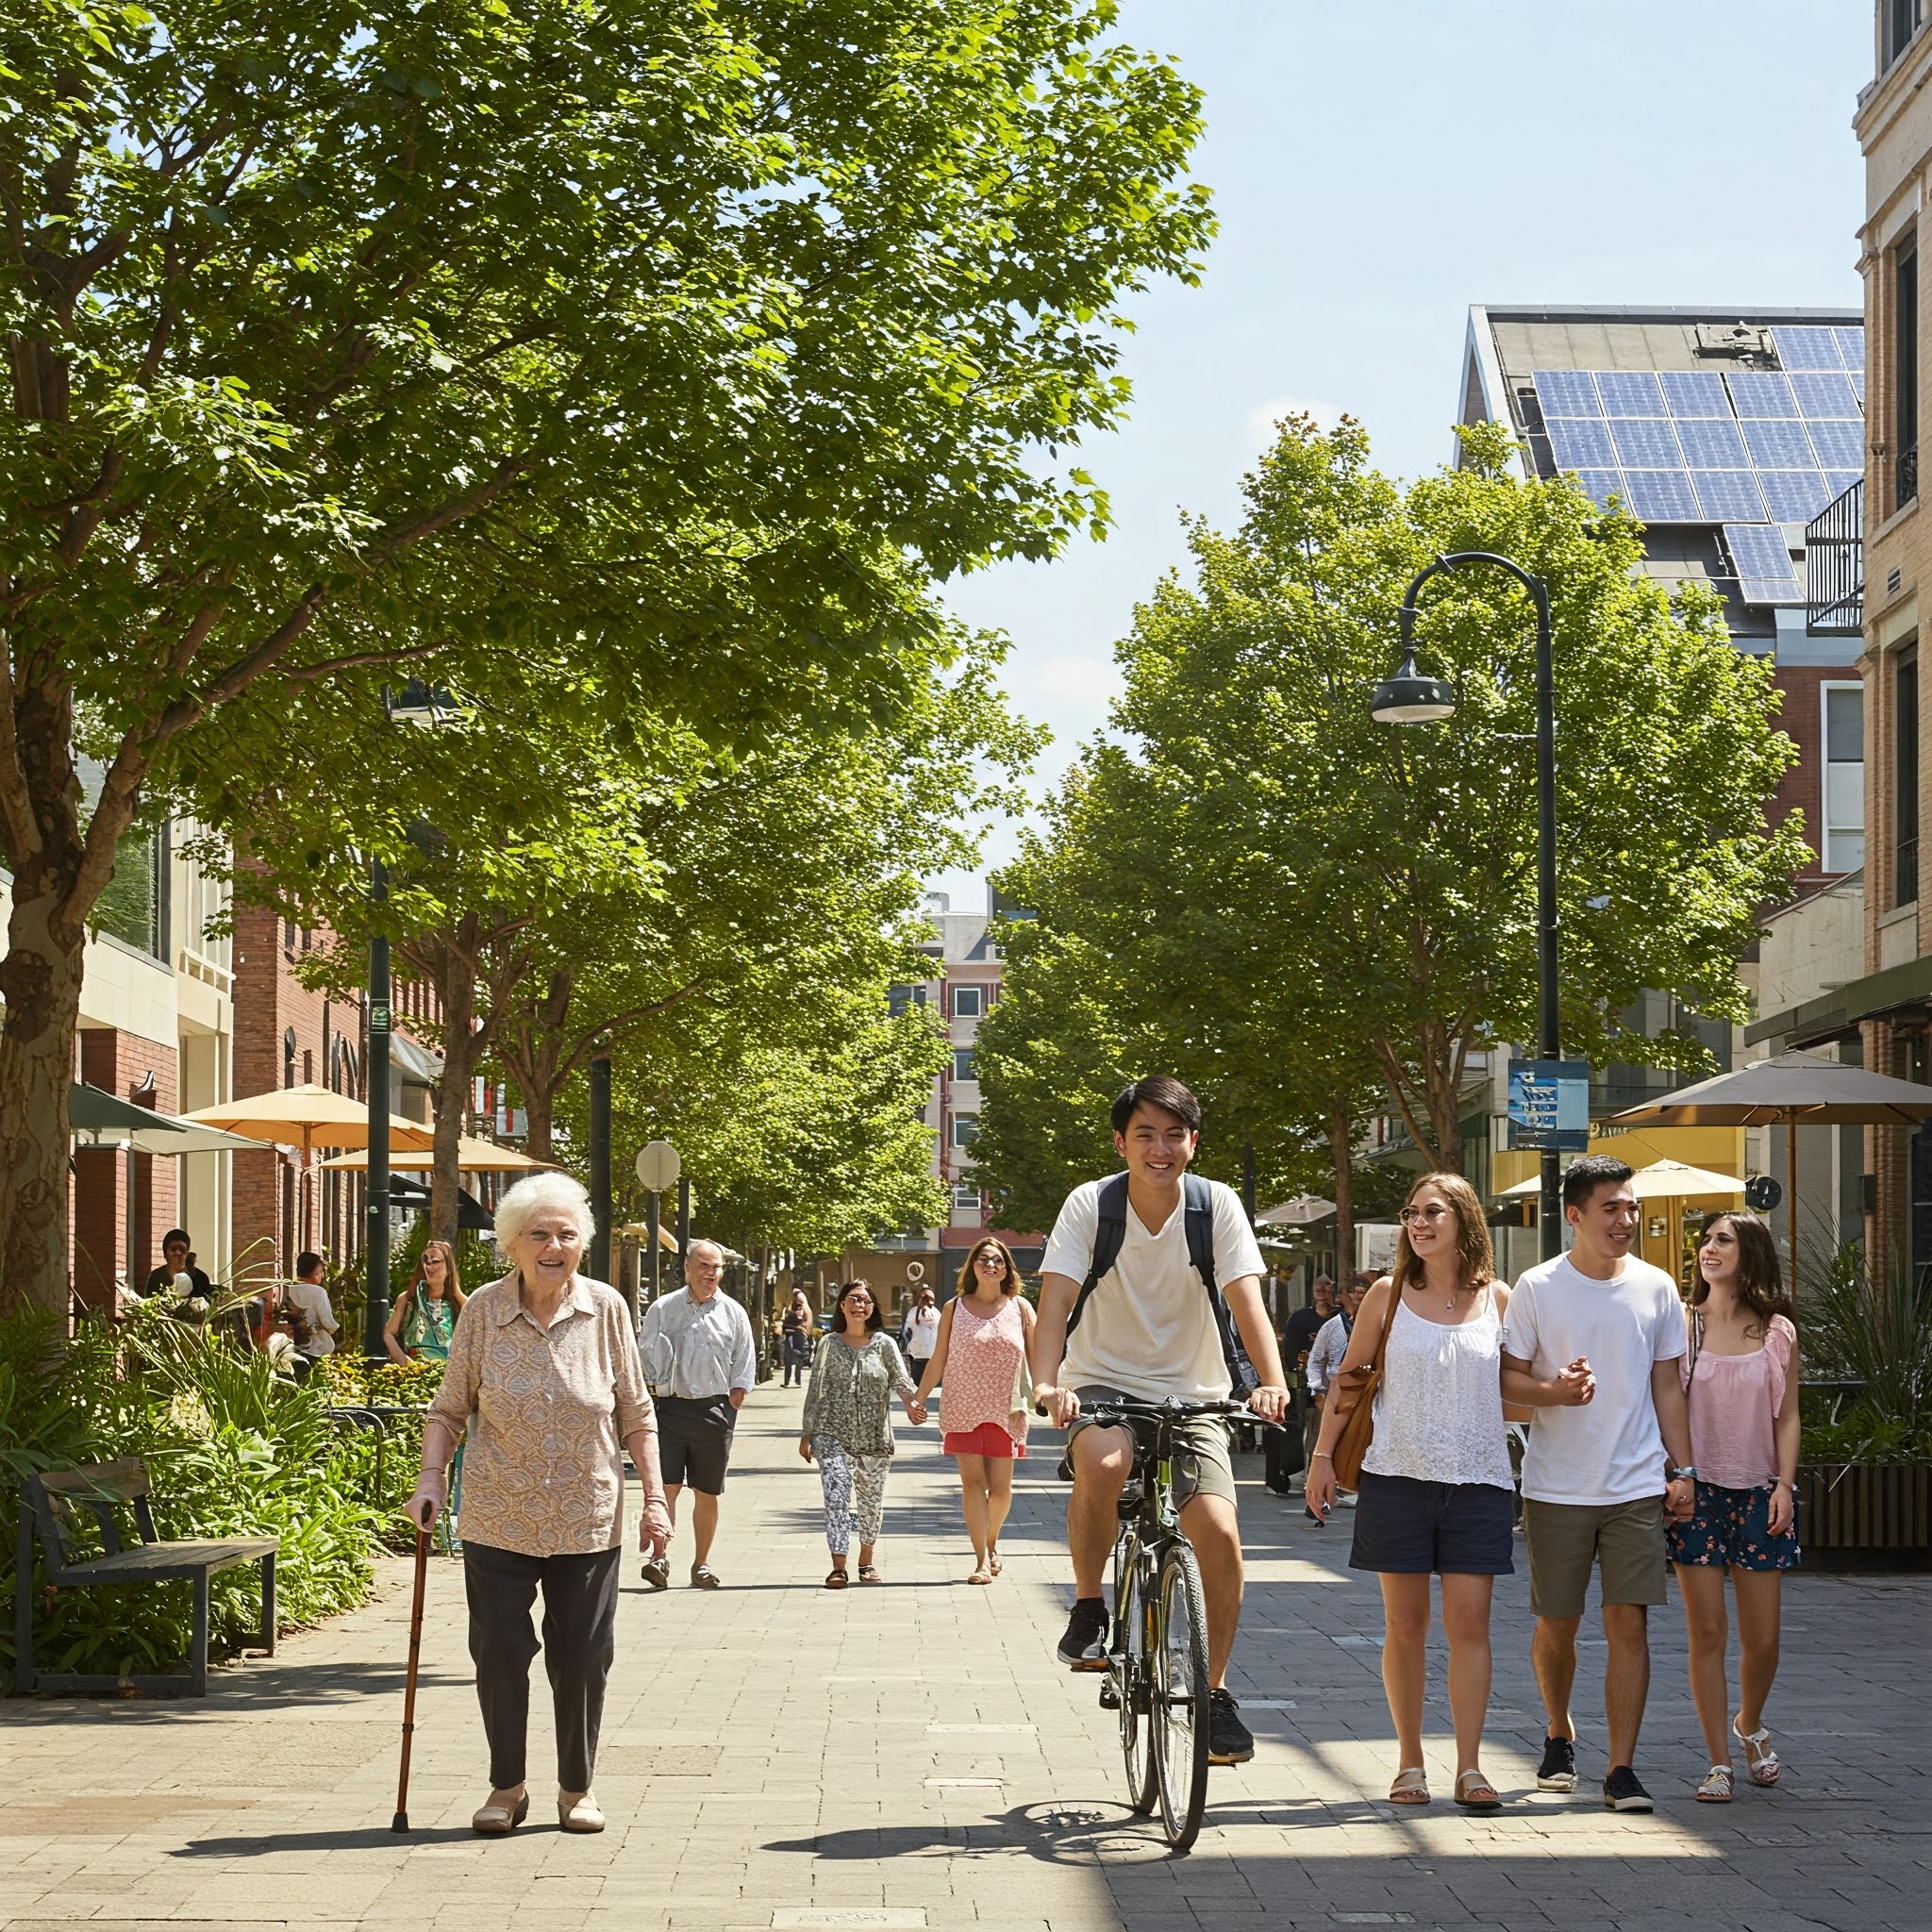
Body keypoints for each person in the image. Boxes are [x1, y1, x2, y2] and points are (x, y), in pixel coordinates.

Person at [1030, 1075, 1291, 1769]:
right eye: (1144, 1134)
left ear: (1193, 1143)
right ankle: (1090, 1607)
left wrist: (1271, 1381)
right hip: (1102, 1384)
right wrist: (1047, 1383)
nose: (1159, 1148)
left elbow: (1246, 1302)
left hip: (1193, 1390)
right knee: (1107, 1464)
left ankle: (1214, 1693)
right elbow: (1054, 1303)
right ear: (1121, 1142)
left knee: (1220, 1529)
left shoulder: (1216, 1207)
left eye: (1174, 1135)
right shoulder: (1091, 1206)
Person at [405, 1172, 671, 1838]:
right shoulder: (483, 1313)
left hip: (588, 1515)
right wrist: (431, 1478)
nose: (556, 1245)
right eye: (540, 1234)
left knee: (581, 1655)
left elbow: (637, 1412)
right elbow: (449, 1408)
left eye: (568, 1234)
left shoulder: (606, 1308)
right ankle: (508, 1785)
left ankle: (575, 1788)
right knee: (498, 1648)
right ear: (512, 1245)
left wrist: (657, 1500)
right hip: (499, 1513)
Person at [1307, 1174, 1526, 1810]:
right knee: (1405, 1625)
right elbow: (1349, 1382)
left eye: (1433, 1212)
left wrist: (1566, 1391)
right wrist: (1322, 1458)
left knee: (1470, 1625)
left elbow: (1518, 1389)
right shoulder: (1389, 1292)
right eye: (1411, 1213)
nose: (1420, 1223)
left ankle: (1470, 1767)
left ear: (1465, 1219)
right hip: (1395, 1478)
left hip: (1479, 1480)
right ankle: (1409, 1763)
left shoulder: (1501, 1299)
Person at [1500, 1154, 1695, 1815]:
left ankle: (1621, 1768)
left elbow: (1667, 1385)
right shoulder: (1536, 1287)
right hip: (1556, 1486)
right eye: (1611, 1208)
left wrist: (1685, 1468)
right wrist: (1554, 1391)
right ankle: (1558, 1732)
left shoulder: (1657, 1287)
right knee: (1558, 1623)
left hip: (1636, 1483)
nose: (1627, 1219)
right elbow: (1506, 1380)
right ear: (1576, 1215)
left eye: (1631, 1207)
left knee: (1628, 1623)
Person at [1668, 1211, 1801, 1803]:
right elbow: (1664, 1407)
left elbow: (1788, 1416)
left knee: (1764, 1639)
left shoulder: (1776, 1333)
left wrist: (1784, 1486)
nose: (1708, 1248)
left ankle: (1749, 1722)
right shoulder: (1682, 1327)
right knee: (1706, 1630)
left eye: (1723, 1239)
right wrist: (1676, 1476)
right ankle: (1718, 1761)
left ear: (1750, 1253)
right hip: (1697, 1494)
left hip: (1757, 1492)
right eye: (1706, 1239)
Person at [911, 1238, 1035, 1583]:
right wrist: (919, 1397)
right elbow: (939, 1359)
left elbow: (1041, 1358)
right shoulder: (953, 1307)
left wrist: (1053, 1395)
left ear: (1007, 1268)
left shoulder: (1021, 1308)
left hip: (1006, 1409)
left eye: (998, 1260)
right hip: (962, 1405)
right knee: (972, 1485)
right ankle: (981, 1559)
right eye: (983, 1259)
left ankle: (991, 1541)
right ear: (972, 1266)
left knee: (1000, 1491)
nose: (990, 1265)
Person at [636, 1239, 757, 1590]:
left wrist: (734, 1399)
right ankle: (659, 1559)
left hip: (713, 1410)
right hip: (669, 1409)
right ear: (687, 1268)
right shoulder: (663, 1308)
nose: (711, 1273)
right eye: (704, 1266)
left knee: (707, 1492)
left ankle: (701, 1565)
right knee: (667, 1488)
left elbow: (744, 1358)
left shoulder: (733, 1311)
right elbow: (645, 1354)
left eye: (717, 1267)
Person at [800, 1279, 924, 1586]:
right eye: (852, 1299)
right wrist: (807, 1432)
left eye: (865, 1301)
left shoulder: (885, 1345)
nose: (858, 1305)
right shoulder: (829, 1344)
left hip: (874, 1439)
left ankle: (865, 1563)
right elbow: (816, 1388)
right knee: (837, 1497)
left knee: (871, 1504)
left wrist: (912, 1405)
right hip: (831, 1435)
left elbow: (901, 1381)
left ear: (872, 1308)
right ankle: (838, 1566)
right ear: (841, 1305)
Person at [1303, 1275, 1366, 1525]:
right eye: (1356, 1294)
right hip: (1332, 1395)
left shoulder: (1377, 1323)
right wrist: (1318, 1390)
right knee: (1322, 1446)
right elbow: (1316, 1360)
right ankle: (1317, 1500)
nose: (1359, 1298)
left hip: (1364, 1396)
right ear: (1346, 1297)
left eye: (1364, 1293)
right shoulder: (1332, 1326)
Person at [1274, 1274, 1335, 1496]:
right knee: (1296, 1424)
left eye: (1327, 1285)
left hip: (1330, 1383)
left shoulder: (1341, 1318)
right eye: (1317, 1284)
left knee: (1320, 1427)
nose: (1320, 1288)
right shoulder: (1300, 1318)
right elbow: (1292, 1351)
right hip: (1303, 1381)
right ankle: (1296, 1471)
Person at [384, 1239, 467, 1362]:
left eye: (435, 1261)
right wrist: (404, 1362)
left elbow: (477, 1328)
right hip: (416, 1373)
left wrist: (456, 1291)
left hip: (451, 1374)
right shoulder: (407, 1299)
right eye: (425, 1260)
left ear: (448, 1268)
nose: (429, 1265)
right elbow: (388, 1333)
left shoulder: (459, 1303)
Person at [283, 1251, 339, 1368]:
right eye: (318, 1272)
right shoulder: (318, 1292)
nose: (321, 1275)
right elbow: (327, 1320)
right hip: (314, 1344)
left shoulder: (289, 1288)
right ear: (309, 1273)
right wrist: (335, 1329)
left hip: (290, 1340)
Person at [142, 1228, 213, 1317]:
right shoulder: (156, 1277)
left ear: (187, 1252)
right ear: (165, 1253)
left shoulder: (200, 1277)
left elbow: (208, 1307)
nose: (178, 1253)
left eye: (181, 1249)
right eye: (173, 1249)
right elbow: (149, 1306)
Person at [900, 1285, 941, 1386]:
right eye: (924, 1298)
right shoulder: (913, 1313)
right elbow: (907, 1333)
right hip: (918, 1359)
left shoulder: (936, 1312)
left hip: (934, 1359)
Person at [780, 1291, 815, 1388]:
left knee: (799, 1355)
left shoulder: (803, 1305)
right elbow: (783, 1317)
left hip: (799, 1332)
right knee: (788, 1357)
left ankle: (797, 1380)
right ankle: (787, 1381)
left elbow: (805, 1317)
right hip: (789, 1331)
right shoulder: (788, 1306)